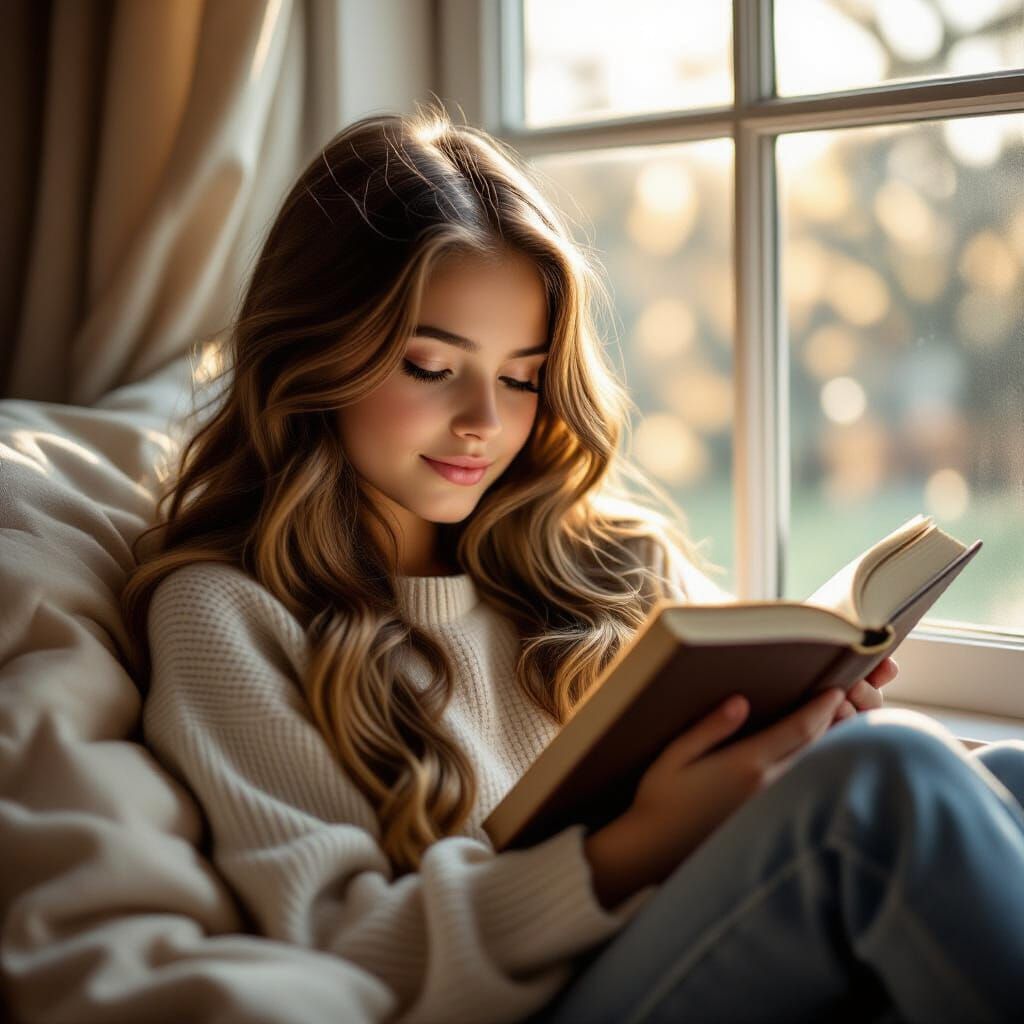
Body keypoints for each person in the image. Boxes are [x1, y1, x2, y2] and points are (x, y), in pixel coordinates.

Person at [120, 105, 1024, 1024]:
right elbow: (344, 944)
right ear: (313, 357)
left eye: (521, 377)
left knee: (995, 772)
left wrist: (805, 725)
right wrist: (636, 846)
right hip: (526, 1002)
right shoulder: (227, 615)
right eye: (432, 368)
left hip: (706, 929)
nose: (485, 420)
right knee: (892, 784)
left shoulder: (612, 558)